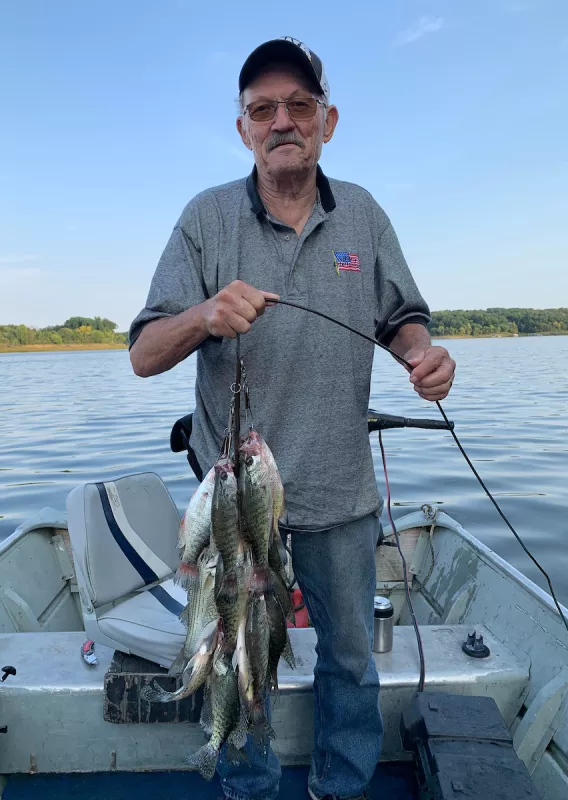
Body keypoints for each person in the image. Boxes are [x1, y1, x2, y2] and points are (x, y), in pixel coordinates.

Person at [129, 36, 456, 800]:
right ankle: (248, 785)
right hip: (236, 511)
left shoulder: (364, 216)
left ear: (327, 121)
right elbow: (145, 354)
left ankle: (340, 788)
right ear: (243, 128)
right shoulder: (205, 220)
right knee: (237, 651)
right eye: (263, 109)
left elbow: (403, 316)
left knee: (349, 657)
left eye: (299, 105)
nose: (283, 120)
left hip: (339, 495)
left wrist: (422, 355)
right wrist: (206, 314)